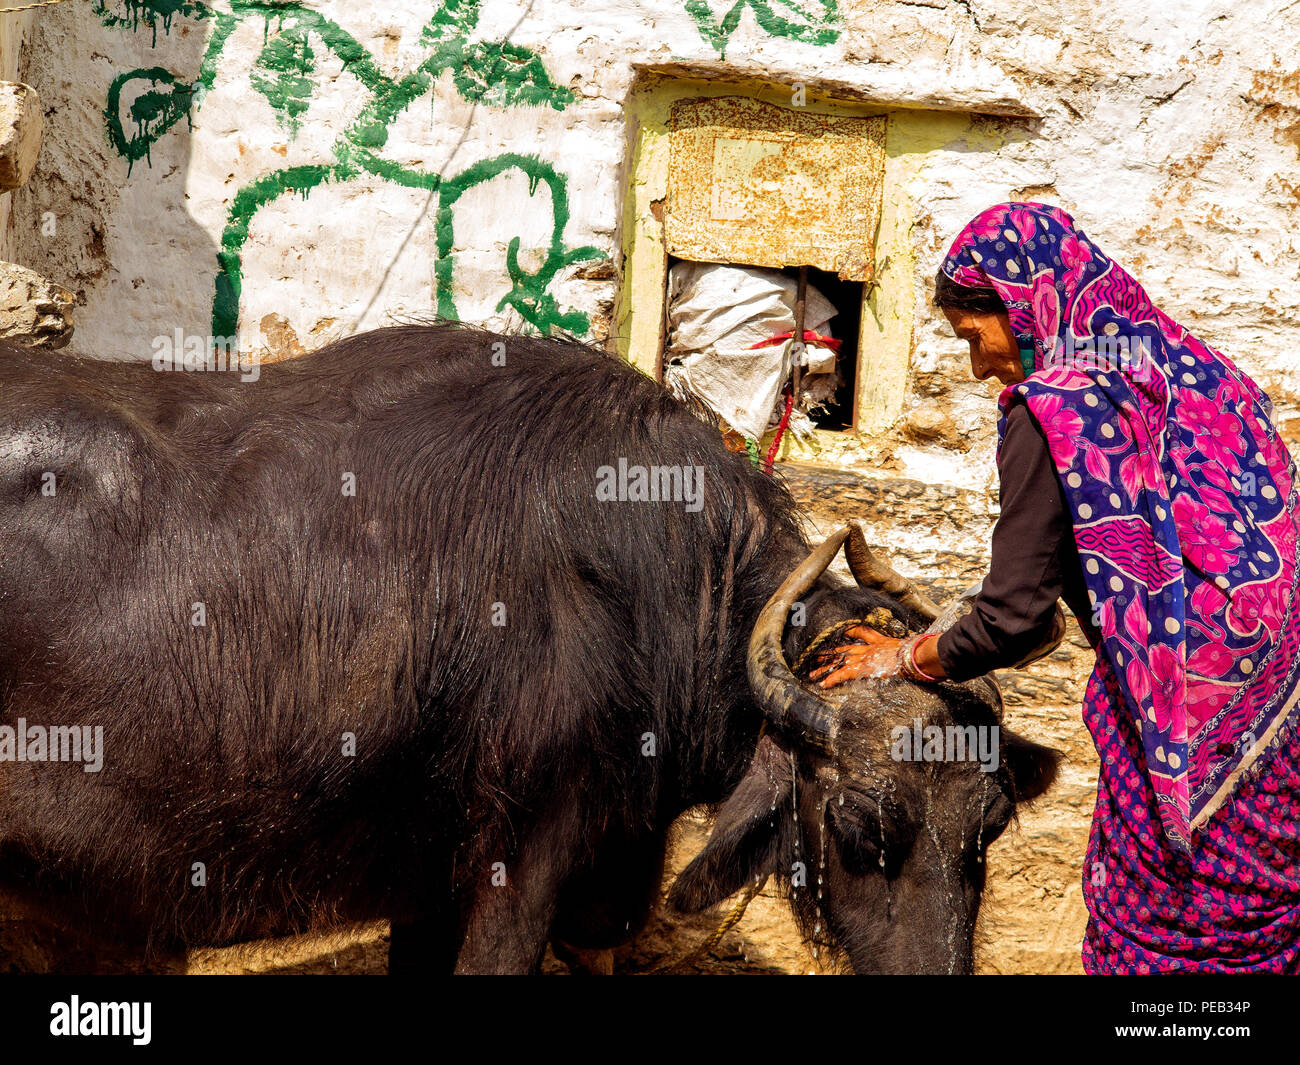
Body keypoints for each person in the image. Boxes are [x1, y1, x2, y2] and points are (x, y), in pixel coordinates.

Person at [811, 202, 1300, 973]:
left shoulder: (1054, 411)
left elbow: (1011, 617)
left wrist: (903, 657)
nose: (978, 367)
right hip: (1283, 714)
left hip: (1190, 729)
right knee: (1265, 918)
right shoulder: (1192, 370)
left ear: (1023, 302)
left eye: (975, 337)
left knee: (1166, 933)